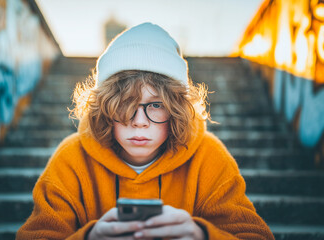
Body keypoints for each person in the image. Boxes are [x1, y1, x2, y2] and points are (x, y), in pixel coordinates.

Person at [16, 22, 275, 240]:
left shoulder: (209, 157)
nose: (139, 121)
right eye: (125, 104)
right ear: (104, 108)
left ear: (177, 109)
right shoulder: (70, 159)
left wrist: (202, 235)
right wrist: (88, 237)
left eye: (155, 105)